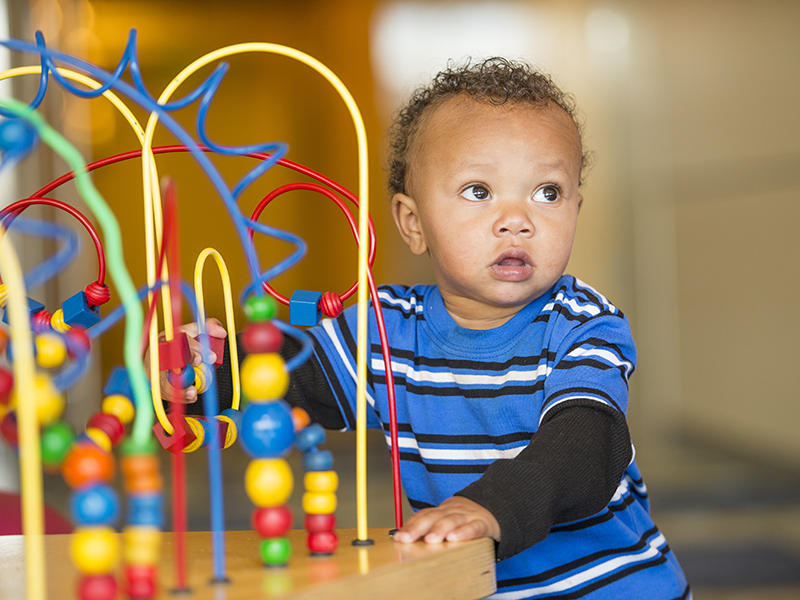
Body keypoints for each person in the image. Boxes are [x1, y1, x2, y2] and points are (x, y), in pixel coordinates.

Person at [166, 58, 690, 599]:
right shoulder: (385, 328)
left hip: (616, 588)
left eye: (548, 193)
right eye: (479, 191)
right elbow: (294, 373)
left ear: (576, 209)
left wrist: (492, 507)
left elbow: (585, 446)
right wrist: (212, 371)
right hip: (473, 583)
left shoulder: (583, 324)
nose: (517, 219)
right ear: (413, 224)